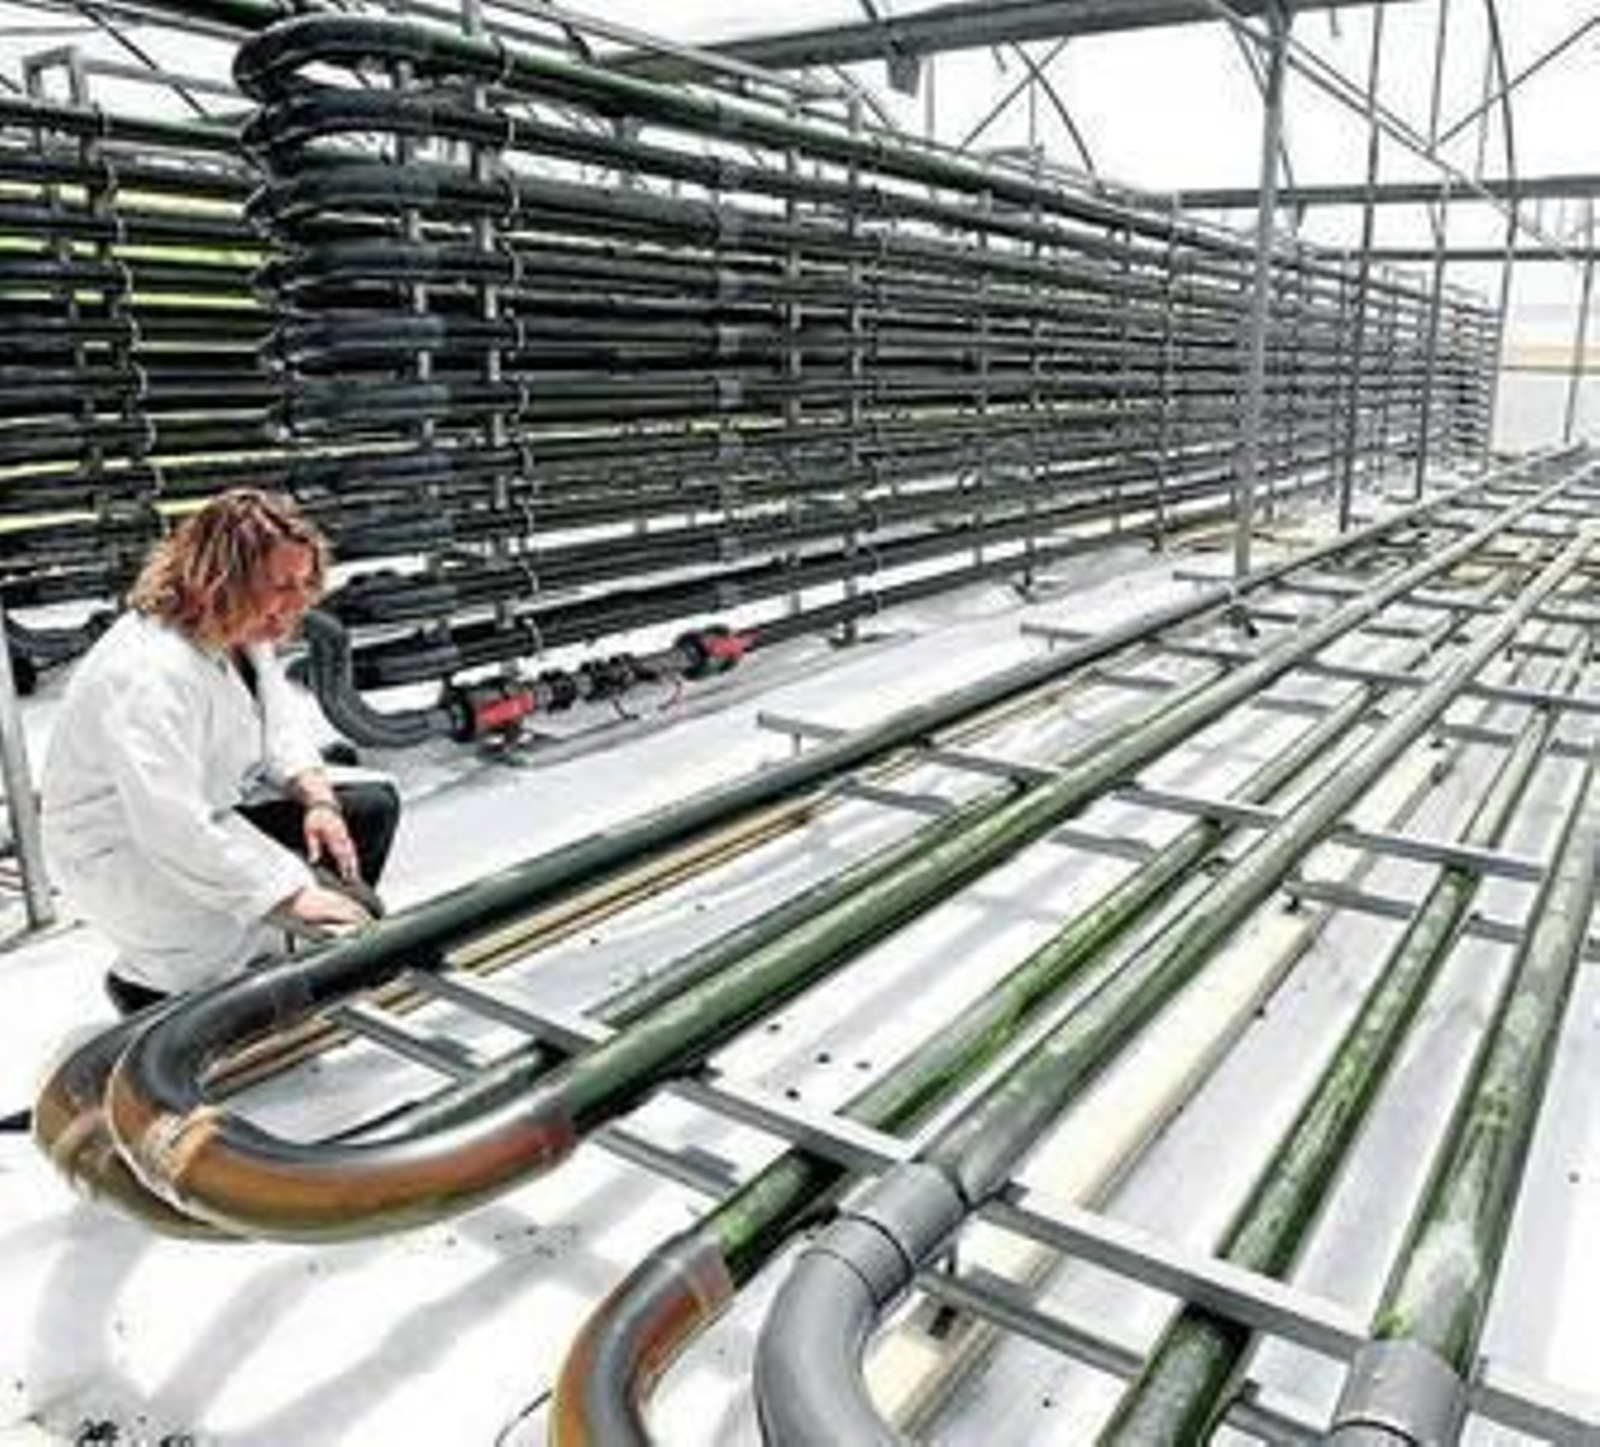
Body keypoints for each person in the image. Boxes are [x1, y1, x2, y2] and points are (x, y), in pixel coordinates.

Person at [41, 488, 401, 1015]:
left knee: (367, 812)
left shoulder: (240, 628)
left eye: (305, 584)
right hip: (125, 849)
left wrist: (318, 801)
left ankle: (293, 967)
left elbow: (279, 726)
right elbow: (170, 824)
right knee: (231, 954)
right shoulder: (149, 672)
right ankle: (147, 991)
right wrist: (290, 896)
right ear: (219, 580)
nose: (296, 604)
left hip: (204, 816)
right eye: (279, 586)